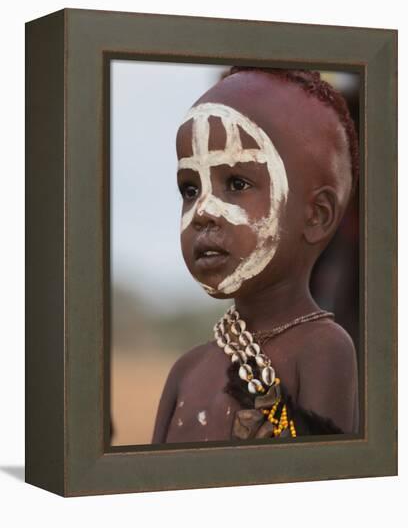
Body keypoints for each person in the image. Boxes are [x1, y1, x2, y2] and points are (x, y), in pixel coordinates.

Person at [152, 67, 359, 444]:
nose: (203, 211)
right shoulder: (186, 371)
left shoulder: (323, 348)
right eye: (190, 189)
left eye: (236, 183)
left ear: (316, 215)